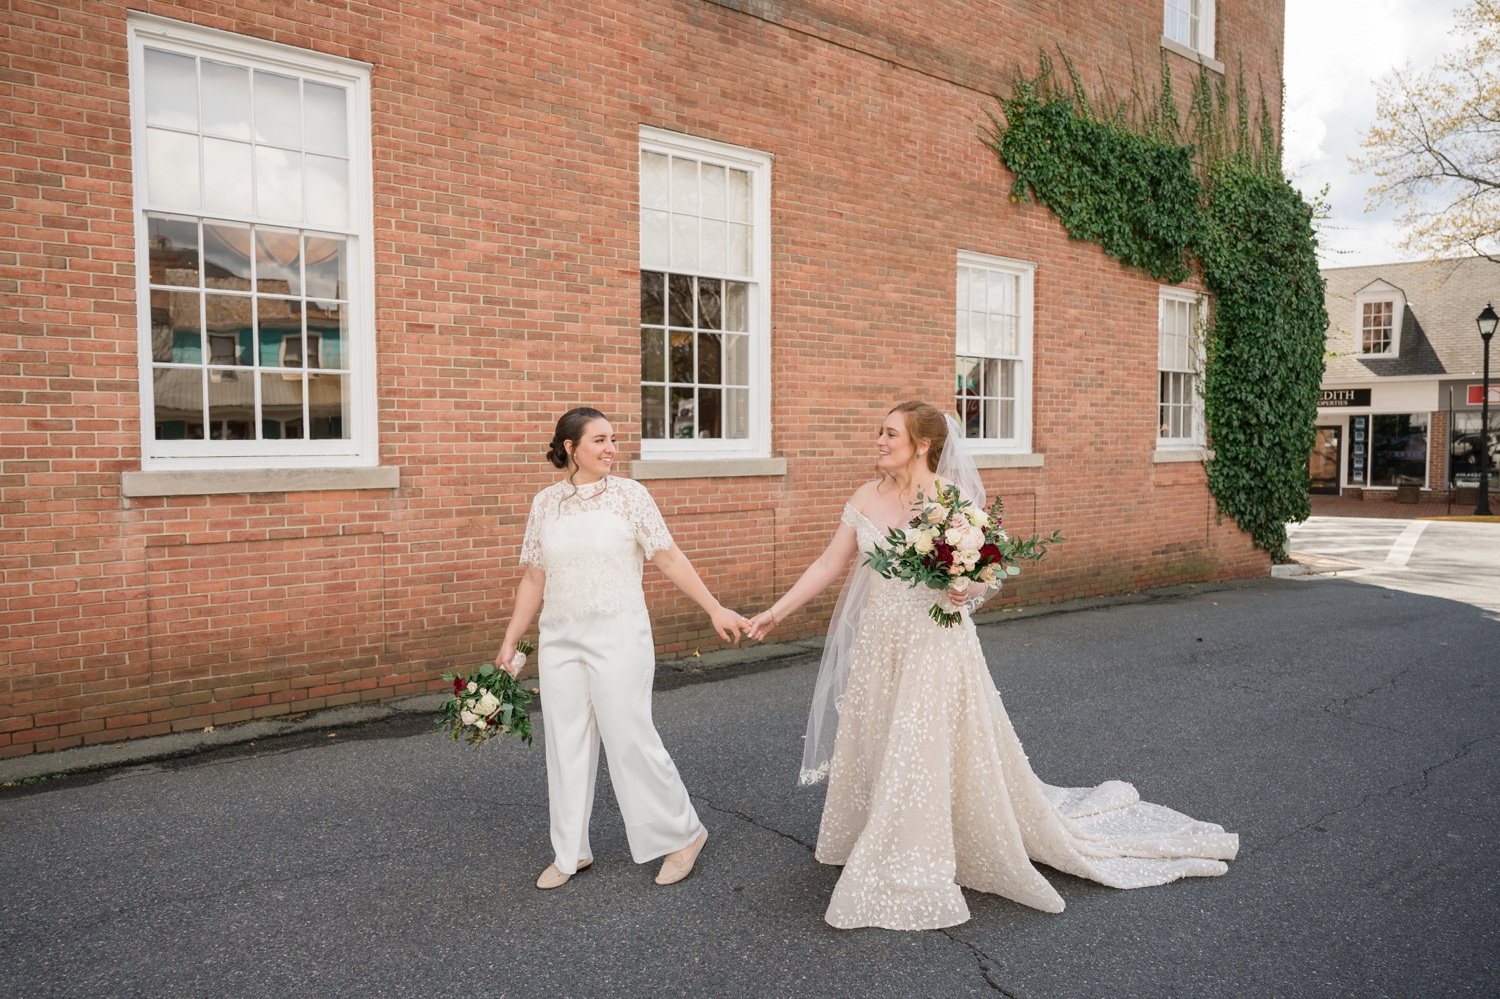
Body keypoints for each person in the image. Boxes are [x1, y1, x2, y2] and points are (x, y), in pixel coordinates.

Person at [746, 401, 1239, 930]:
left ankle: (914, 850)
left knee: (919, 741)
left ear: (922, 444)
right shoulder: (865, 497)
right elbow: (829, 563)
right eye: (880, 432)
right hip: (880, 642)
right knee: (881, 736)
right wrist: (774, 614)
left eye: (890, 433)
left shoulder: (951, 501)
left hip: (934, 641)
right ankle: (880, 830)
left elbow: (980, 573)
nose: (880, 440)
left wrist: (963, 585)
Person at [497, 407, 748, 890]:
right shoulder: (545, 503)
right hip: (559, 636)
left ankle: (683, 834)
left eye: (613, 439)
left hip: (619, 633)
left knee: (629, 735)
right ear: (570, 448)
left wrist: (715, 608)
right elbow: (534, 575)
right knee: (564, 741)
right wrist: (511, 640)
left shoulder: (632, 496)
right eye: (599, 440)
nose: (612, 448)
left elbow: (668, 558)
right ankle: (569, 852)